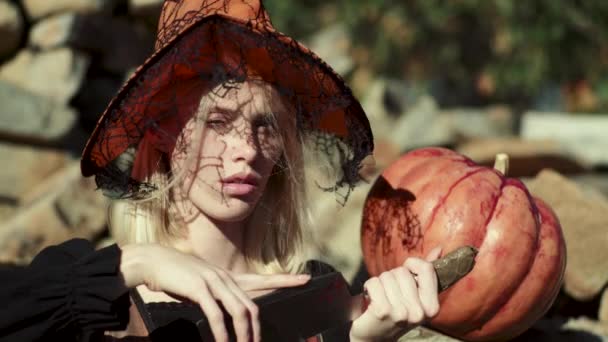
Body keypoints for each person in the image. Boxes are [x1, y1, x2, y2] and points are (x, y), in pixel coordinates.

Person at [0, 1, 442, 341]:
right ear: (160, 132)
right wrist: (136, 262)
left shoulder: (319, 293)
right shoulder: (99, 293)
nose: (246, 150)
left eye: (265, 125)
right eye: (217, 122)